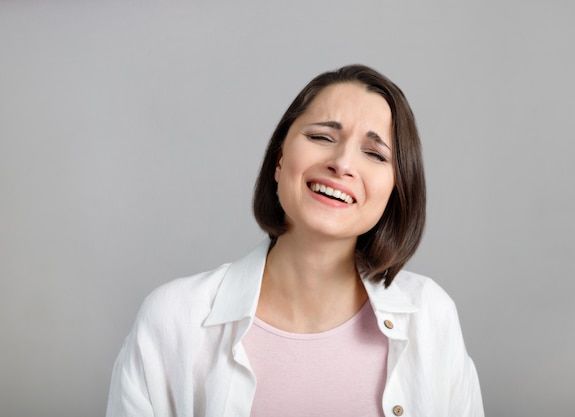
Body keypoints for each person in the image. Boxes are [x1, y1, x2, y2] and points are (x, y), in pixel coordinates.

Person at [106, 64, 484, 417]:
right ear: (279, 159)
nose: (343, 163)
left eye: (374, 153)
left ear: (396, 191)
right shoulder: (174, 320)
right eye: (321, 136)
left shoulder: (431, 317)